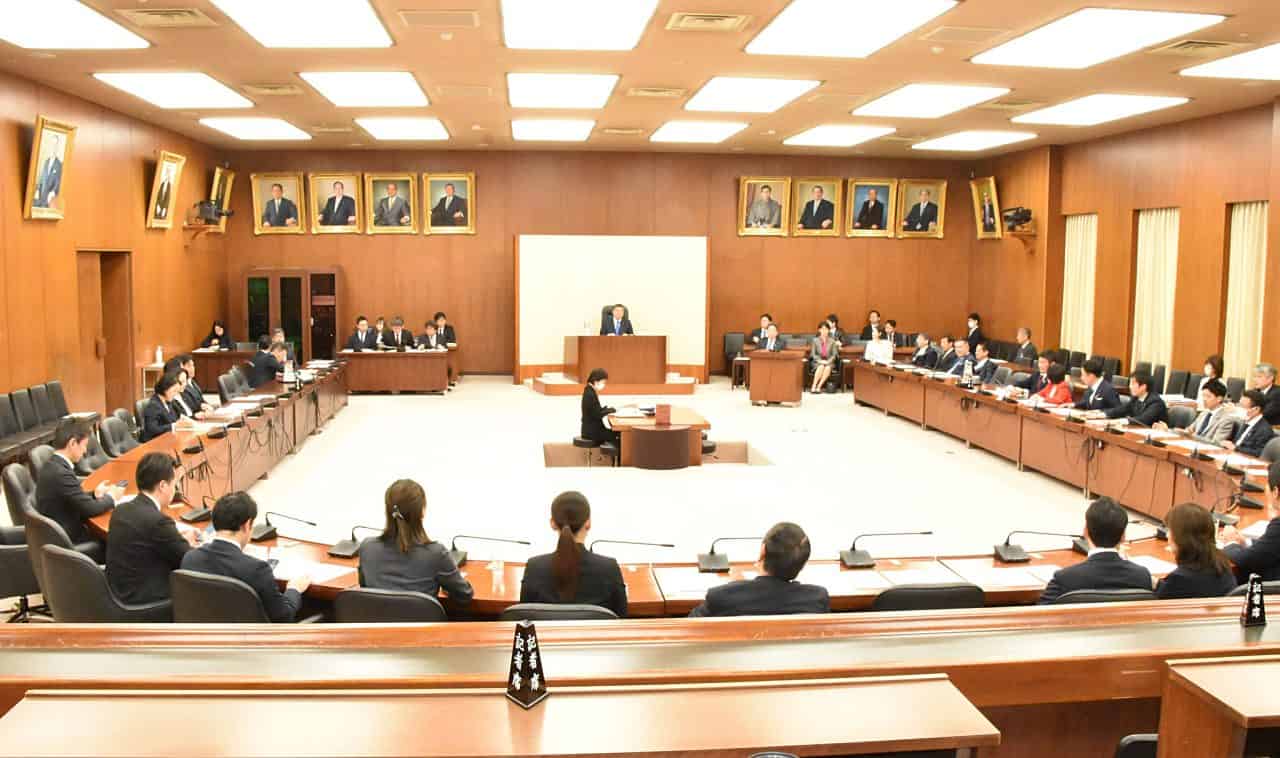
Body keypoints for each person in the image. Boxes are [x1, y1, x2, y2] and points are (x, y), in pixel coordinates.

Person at [180, 492, 310, 622]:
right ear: (247, 525)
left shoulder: (190, 558)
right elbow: (283, 617)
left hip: (203, 632)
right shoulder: (257, 570)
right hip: (248, 635)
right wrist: (294, 589)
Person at [357, 479, 473, 604]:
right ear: (421, 512)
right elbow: (464, 594)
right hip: (421, 617)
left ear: (387, 511)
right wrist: (446, 586)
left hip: (379, 617)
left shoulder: (367, 547)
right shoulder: (435, 553)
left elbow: (365, 587)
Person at [105, 453, 196, 605]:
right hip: (143, 601)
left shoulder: (120, 510)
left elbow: (147, 538)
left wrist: (175, 538)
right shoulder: (159, 522)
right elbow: (188, 559)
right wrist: (188, 543)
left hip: (115, 594)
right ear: (163, 486)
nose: (175, 490)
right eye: (174, 484)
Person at [519, 491, 627, 617]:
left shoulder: (534, 567)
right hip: (593, 631)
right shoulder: (609, 568)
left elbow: (524, 619)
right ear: (588, 523)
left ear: (552, 523)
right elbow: (622, 619)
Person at [688, 523, 829, 617]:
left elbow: (687, 628)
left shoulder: (722, 596)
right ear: (803, 565)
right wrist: (743, 587)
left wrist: (738, 587)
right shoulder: (816, 599)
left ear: (762, 551)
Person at [1038, 497, 1153, 604]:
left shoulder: (1064, 578)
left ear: (1085, 532)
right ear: (1123, 536)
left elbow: (1040, 614)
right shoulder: (1142, 576)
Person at [35, 419, 121, 545]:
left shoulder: (53, 464)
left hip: (59, 531)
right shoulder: (61, 473)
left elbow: (71, 496)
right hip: (70, 541)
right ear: (73, 443)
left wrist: (94, 494)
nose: (85, 451)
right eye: (84, 445)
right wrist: (112, 497)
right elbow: (90, 509)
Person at [1155, 503, 1237, 599]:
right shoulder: (1222, 564)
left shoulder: (1179, 579)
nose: (1167, 535)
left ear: (1182, 538)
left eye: (1170, 530)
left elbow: (1161, 598)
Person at [1220, 461, 1280, 581]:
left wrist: (1230, 542)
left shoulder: (1278, 526)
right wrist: (1245, 541)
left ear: (1275, 492)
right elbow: (1271, 546)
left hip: (1267, 591)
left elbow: (1247, 560)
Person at [1168, 380, 1235, 444]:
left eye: (1208, 396)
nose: (1204, 399)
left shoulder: (1226, 419)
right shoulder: (1204, 413)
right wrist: (1178, 431)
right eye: (1203, 396)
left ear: (1219, 399)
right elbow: (1190, 430)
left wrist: (1192, 436)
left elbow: (1216, 442)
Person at [1223, 389, 1275, 458]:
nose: (1238, 408)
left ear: (1256, 409)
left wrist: (1235, 448)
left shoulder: (1264, 430)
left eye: (1242, 406)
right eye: (1239, 405)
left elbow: (1259, 453)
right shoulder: (1245, 421)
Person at [141, 373, 184, 442]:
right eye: (174, 391)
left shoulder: (168, 402)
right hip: (154, 442)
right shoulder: (153, 405)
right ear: (165, 388)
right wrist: (173, 426)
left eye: (177, 392)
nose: (175, 394)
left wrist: (182, 422)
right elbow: (152, 429)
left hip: (168, 438)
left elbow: (176, 418)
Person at [580, 368, 618, 445]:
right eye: (603, 382)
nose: (604, 385)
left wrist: (607, 409)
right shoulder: (590, 394)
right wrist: (611, 410)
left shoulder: (589, 390)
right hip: (592, 432)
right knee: (619, 434)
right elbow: (597, 414)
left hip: (590, 429)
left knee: (616, 433)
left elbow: (595, 410)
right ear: (596, 381)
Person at [33, 132, 63, 208]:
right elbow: (41, 178)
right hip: (40, 196)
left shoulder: (59, 165)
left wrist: (53, 192)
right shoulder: (46, 162)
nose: (53, 148)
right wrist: (37, 190)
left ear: (57, 148)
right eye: (52, 145)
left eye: (55, 145)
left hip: (49, 199)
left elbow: (58, 183)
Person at [809, 323, 839, 393]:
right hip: (817, 362)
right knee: (821, 366)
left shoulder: (832, 341)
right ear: (819, 330)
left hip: (829, 362)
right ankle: (813, 385)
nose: (824, 331)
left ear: (828, 330)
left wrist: (828, 361)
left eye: (826, 329)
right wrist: (820, 361)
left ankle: (819, 386)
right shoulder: (815, 340)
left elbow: (834, 354)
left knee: (828, 368)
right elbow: (813, 354)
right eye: (822, 329)